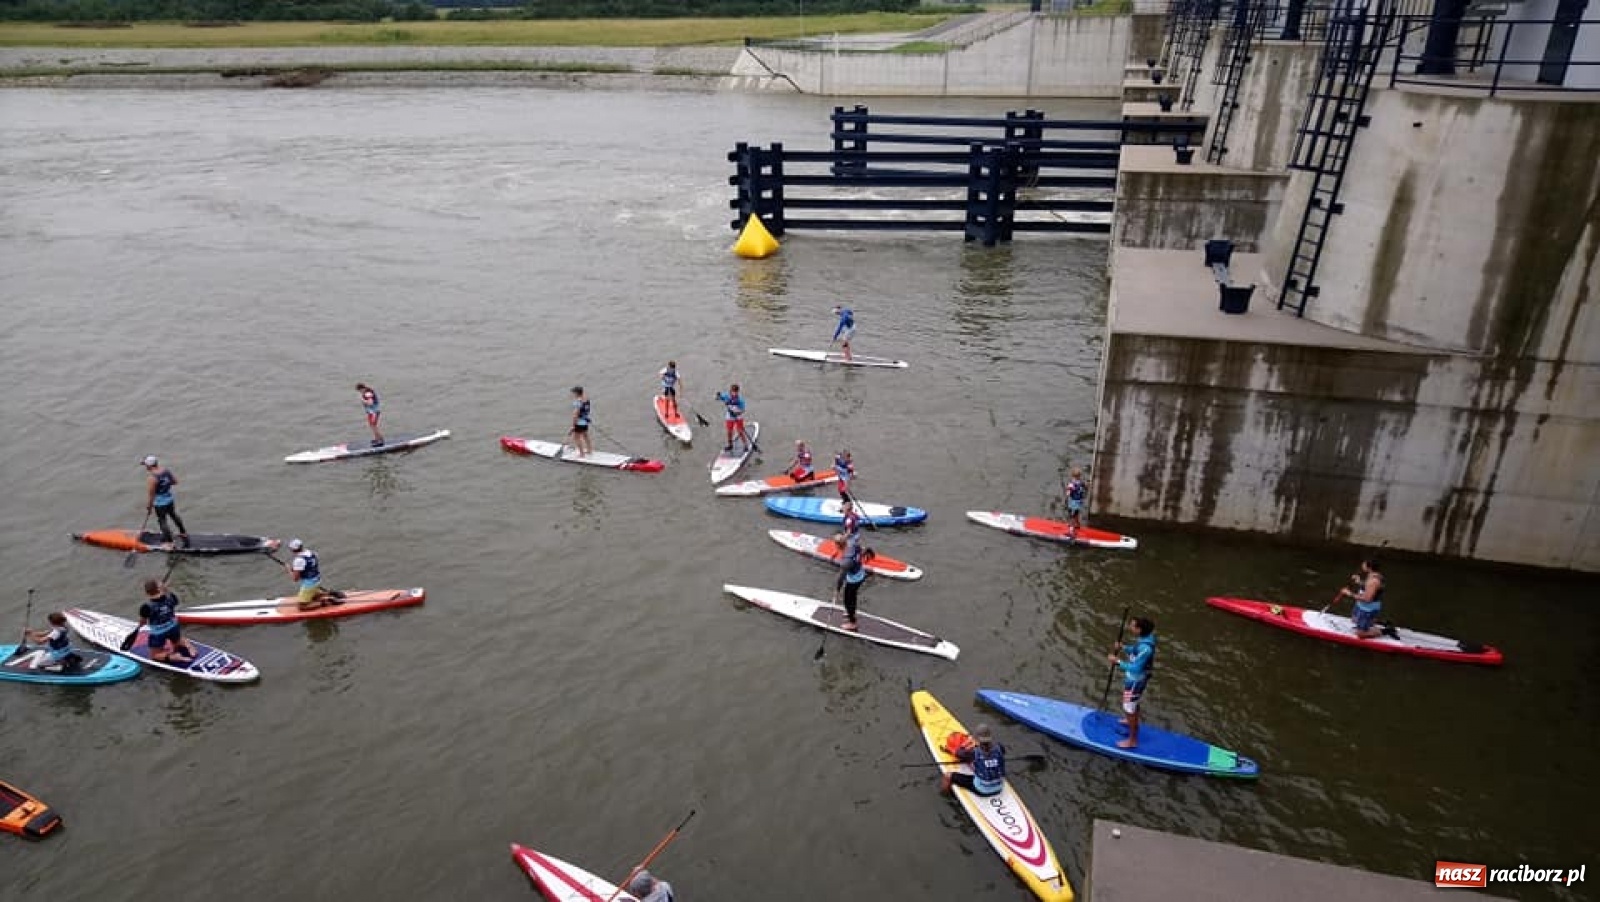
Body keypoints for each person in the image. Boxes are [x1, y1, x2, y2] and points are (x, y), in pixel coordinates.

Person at [1106, 617, 1157, 749]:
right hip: (1135, 680)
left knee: (1128, 708)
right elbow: (1135, 651)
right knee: (1133, 705)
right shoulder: (1146, 639)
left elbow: (1136, 667)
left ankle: (1132, 740)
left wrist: (1117, 661)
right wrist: (1123, 647)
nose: (1130, 627)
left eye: (1133, 626)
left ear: (1139, 630)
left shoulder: (1146, 648)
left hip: (1135, 681)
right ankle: (1130, 720)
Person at [137, 578, 197, 664]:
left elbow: (143, 622)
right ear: (160, 589)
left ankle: (175, 657)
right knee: (178, 640)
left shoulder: (146, 607)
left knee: (154, 655)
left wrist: (139, 627)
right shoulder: (170, 598)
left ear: (147, 593)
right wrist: (166, 589)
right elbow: (174, 601)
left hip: (158, 633)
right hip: (174, 627)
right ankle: (189, 646)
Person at [938, 723, 1005, 797]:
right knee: (977, 764)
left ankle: (945, 795)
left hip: (981, 790)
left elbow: (959, 752)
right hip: (999, 787)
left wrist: (967, 742)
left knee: (947, 775)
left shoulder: (973, 752)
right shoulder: (1000, 747)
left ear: (977, 739)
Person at [141, 455, 189, 549]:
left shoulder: (152, 478)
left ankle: (169, 543)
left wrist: (149, 506)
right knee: (173, 515)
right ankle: (183, 533)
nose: (145, 466)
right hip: (169, 500)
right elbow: (175, 482)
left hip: (160, 504)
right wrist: (164, 484)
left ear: (150, 466)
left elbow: (151, 495)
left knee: (162, 521)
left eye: (145, 465)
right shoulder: (166, 471)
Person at [15, 612, 84, 672]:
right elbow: (43, 633)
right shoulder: (63, 627)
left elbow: (40, 642)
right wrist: (31, 632)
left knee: (39, 664)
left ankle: (58, 665)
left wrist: (30, 634)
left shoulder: (55, 632)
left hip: (57, 654)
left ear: (51, 622)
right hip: (67, 649)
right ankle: (68, 657)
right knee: (46, 654)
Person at [285, 538, 341, 611]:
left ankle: (326, 602)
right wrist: (296, 569)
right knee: (313, 596)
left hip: (309, 585)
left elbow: (295, 579)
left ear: (292, 550)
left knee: (301, 607)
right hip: (317, 580)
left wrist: (289, 569)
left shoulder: (298, 560)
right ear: (301, 546)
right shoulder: (311, 553)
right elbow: (308, 567)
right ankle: (329, 593)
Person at [1338, 557, 1386, 639]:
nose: (1362, 565)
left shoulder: (1373, 581)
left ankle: (1385, 631)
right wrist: (1359, 581)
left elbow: (1367, 599)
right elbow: (1367, 587)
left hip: (1368, 608)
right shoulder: (1372, 575)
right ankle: (1370, 622)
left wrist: (1349, 594)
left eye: (1364, 564)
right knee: (1354, 619)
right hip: (1361, 605)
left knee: (1360, 634)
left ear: (1369, 567)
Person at [831, 536, 868, 632]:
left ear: (838, 545)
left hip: (854, 580)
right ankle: (852, 613)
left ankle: (852, 623)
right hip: (861, 573)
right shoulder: (853, 544)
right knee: (853, 595)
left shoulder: (845, 562)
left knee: (848, 601)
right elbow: (862, 549)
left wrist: (836, 592)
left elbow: (840, 578)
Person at [714, 383, 756, 453]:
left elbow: (743, 410)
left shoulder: (740, 400)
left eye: (735, 392)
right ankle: (730, 445)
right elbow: (717, 398)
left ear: (737, 392)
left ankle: (745, 445)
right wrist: (718, 396)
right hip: (729, 416)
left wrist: (736, 413)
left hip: (738, 417)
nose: (733, 394)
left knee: (740, 431)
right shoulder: (726, 396)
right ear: (730, 391)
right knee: (729, 432)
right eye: (732, 392)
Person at [568, 386, 593, 458]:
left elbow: (575, 415)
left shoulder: (578, 402)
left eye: (573, 393)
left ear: (576, 393)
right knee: (586, 436)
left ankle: (582, 454)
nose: (572, 394)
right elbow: (586, 410)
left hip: (579, 423)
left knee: (576, 438)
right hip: (585, 421)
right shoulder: (586, 399)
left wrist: (573, 426)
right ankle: (589, 450)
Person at [357, 382, 384, 446]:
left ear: (362, 388)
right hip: (371, 412)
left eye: (359, 390)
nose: (360, 392)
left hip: (374, 412)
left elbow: (370, 403)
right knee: (372, 426)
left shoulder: (368, 393)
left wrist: (362, 400)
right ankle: (377, 439)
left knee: (373, 426)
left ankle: (380, 440)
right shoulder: (367, 392)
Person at [1064, 467, 1088, 537]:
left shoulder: (1071, 484)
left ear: (1073, 476)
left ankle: (1071, 531)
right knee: (1076, 514)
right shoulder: (1081, 483)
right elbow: (1086, 487)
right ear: (1079, 476)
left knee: (1072, 516)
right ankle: (1077, 525)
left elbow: (1068, 493)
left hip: (1073, 502)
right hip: (1079, 502)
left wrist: (1067, 494)